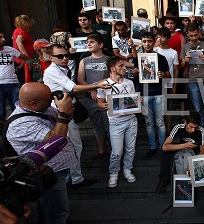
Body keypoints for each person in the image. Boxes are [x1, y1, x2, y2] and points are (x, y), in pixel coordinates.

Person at [6, 83, 76, 224]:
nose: (51, 101)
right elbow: (56, 140)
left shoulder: (41, 109)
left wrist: (67, 111)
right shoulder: (20, 123)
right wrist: (63, 113)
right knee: (57, 210)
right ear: (33, 103)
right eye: (48, 99)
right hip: (47, 172)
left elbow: (61, 123)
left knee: (47, 208)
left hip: (55, 169)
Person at [43, 44, 110, 188]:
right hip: (60, 112)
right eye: (60, 56)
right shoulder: (52, 71)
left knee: (69, 145)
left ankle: (69, 176)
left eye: (66, 55)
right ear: (51, 58)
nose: (65, 58)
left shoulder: (64, 67)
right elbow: (73, 87)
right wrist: (97, 86)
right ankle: (76, 178)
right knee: (75, 146)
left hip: (66, 109)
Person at [97, 56, 139, 187]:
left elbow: (133, 100)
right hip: (115, 122)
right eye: (121, 66)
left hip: (131, 119)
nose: (125, 68)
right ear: (112, 68)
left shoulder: (129, 83)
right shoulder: (103, 85)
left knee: (130, 149)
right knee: (117, 151)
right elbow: (99, 102)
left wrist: (138, 102)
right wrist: (102, 106)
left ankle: (127, 169)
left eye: (124, 66)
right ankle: (114, 172)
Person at [135, 31, 170, 159]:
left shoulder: (161, 58)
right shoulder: (137, 59)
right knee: (149, 123)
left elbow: (169, 77)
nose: (147, 44)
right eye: (144, 41)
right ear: (142, 43)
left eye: (149, 41)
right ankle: (152, 147)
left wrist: (163, 75)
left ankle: (162, 146)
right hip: (144, 94)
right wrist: (135, 73)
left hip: (159, 93)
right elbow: (135, 79)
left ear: (154, 41)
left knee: (160, 122)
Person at [76, 34, 110, 162]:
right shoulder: (84, 60)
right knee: (97, 127)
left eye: (92, 42)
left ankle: (115, 152)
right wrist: (91, 90)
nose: (89, 44)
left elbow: (112, 77)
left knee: (109, 126)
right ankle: (102, 151)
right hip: (90, 99)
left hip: (107, 98)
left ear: (100, 45)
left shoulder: (109, 59)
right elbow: (80, 79)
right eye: (87, 42)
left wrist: (95, 87)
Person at [181, 24, 204, 140]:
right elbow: (181, 65)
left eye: (196, 35)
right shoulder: (185, 47)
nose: (194, 37)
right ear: (187, 34)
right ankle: (201, 131)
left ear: (199, 33)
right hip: (193, 80)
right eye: (191, 35)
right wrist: (185, 61)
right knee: (197, 108)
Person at [155, 111, 204, 193]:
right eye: (191, 127)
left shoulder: (200, 130)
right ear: (185, 122)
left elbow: (202, 151)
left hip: (193, 152)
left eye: (195, 127)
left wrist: (191, 164)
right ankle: (164, 179)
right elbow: (164, 147)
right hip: (180, 147)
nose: (193, 130)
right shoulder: (179, 127)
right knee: (165, 152)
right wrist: (184, 145)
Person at [0, 29, 29, 124]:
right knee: (0, 113)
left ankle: (17, 129)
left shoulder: (10, 49)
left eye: (3, 37)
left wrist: (18, 69)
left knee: (18, 110)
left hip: (13, 83)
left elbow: (26, 58)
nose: (3, 39)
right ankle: (4, 132)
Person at [154, 26, 179, 134]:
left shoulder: (173, 53)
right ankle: (159, 131)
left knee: (168, 109)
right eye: (159, 37)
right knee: (158, 110)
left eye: (163, 37)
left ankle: (168, 131)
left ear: (168, 38)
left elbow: (176, 70)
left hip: (168, 84)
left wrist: (175, 85)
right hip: (155, 85)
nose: (160, 39)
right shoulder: (153, 50)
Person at [12, 15, 35, 85]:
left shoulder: (17, 30)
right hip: (22, 61)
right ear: (27, 22)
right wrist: (26, 55)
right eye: (31, 23)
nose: (31, 25)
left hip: (19, 60)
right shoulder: (22, 31)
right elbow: (18, 42)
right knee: (25, 80)